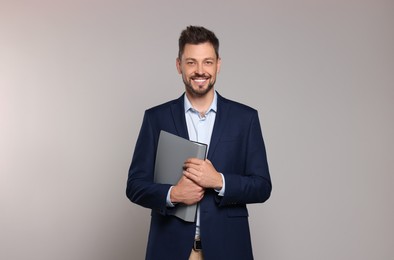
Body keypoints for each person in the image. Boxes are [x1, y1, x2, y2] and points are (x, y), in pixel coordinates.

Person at [126, 25, 272, 260]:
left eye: (207, 62)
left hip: (228, 248)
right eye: (191, 62)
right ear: (179, 65)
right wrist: (173, 194)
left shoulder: (245, 119)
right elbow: (134, 186)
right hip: (171, 249)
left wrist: (219, 181)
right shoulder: (156, 118)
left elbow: (262, 186)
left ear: (218, 65)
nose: (200, 70)